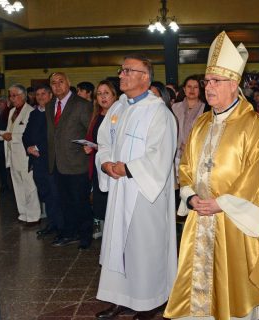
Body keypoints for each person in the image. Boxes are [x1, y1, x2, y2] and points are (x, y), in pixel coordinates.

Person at [164, 31, 259, 320]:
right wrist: (190, 198)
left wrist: (222, 203)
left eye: (216, 81)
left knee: (238, 287)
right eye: (207, 81)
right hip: (200, 218)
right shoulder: (202, 123)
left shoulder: (254, 125)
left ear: (235, 84)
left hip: (237, 222)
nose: (209, 87)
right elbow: (187, 166)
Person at [94, 54, 178, 320]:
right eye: (121, 70)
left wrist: (127, 168)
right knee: (118, 245)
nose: (121, 75)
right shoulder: (119, 108)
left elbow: (160, 155)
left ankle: (149, 300)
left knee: (144, 247)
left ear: (144, 77)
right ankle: (120, 297)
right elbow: (103, 140)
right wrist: (106, 162)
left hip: (143, 191)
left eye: (127, 70)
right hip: (120, 190)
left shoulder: (158, 112)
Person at [46, 72, 93, 248]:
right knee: (63, 202)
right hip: (57, 163)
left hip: (77, 162)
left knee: (80, 202)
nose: (57, 85)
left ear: (68, 83)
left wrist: (90, 147)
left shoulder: (81, 105)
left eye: (61, 81)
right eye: (53, 83)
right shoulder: (50, 105)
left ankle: (85, 236)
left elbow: (90, 131)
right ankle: (69, 233)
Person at [22, 84, 63, 236]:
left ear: (50, 95)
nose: (40, 97)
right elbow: (25, 135)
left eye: (43, 94)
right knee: (45, 194)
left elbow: (55, 137)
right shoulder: (34, 113)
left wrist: (38, 148)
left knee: (55, 194)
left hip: (51, 160)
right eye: (37, 94)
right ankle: (52, 224)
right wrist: (28, 147)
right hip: (36, 161)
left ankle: (61, 226)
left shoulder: (55, 113)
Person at [2, 84, 41, 225]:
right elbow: (8, 131)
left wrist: (12, 136)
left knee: (29, 186)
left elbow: (30, 135)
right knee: (17, 186)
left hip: (25, 155)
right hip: (13, 155)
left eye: (14, 95)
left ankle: (33, 216)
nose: (12, 99)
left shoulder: (30, 111)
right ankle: (23, 214)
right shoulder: (12, 111)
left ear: (23, 96)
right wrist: (2, 135)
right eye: (10, 96)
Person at [83, 80, 117, 229]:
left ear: (114, 95)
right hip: (99, 165)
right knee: (101, 204)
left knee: (114, 205)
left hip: (114, 166)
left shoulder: (120, 114)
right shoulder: (96, 115)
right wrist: (89, 147)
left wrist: (100, 147)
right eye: (99, 94)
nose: (103, 97)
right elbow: (93, 137)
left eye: (106, 93)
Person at [0, 96, 10, 193]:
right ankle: (4, 184)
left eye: (1, 101)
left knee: (8, 167)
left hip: (7, 144)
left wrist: (0, 132)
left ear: (6, 103)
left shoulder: (9, 113)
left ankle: (10, 185)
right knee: (1, 166)